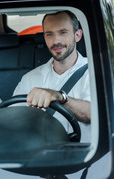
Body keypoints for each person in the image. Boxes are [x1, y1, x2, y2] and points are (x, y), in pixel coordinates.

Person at [13, 10, 91, 142]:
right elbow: (12, 119)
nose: (56, 41)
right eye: (49, 34)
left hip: (86, 157)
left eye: (63, 32)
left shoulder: (94, 72)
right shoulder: (30, 78)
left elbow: (94, 113)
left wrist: (60, 97)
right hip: (39, 156)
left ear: (77, 35)